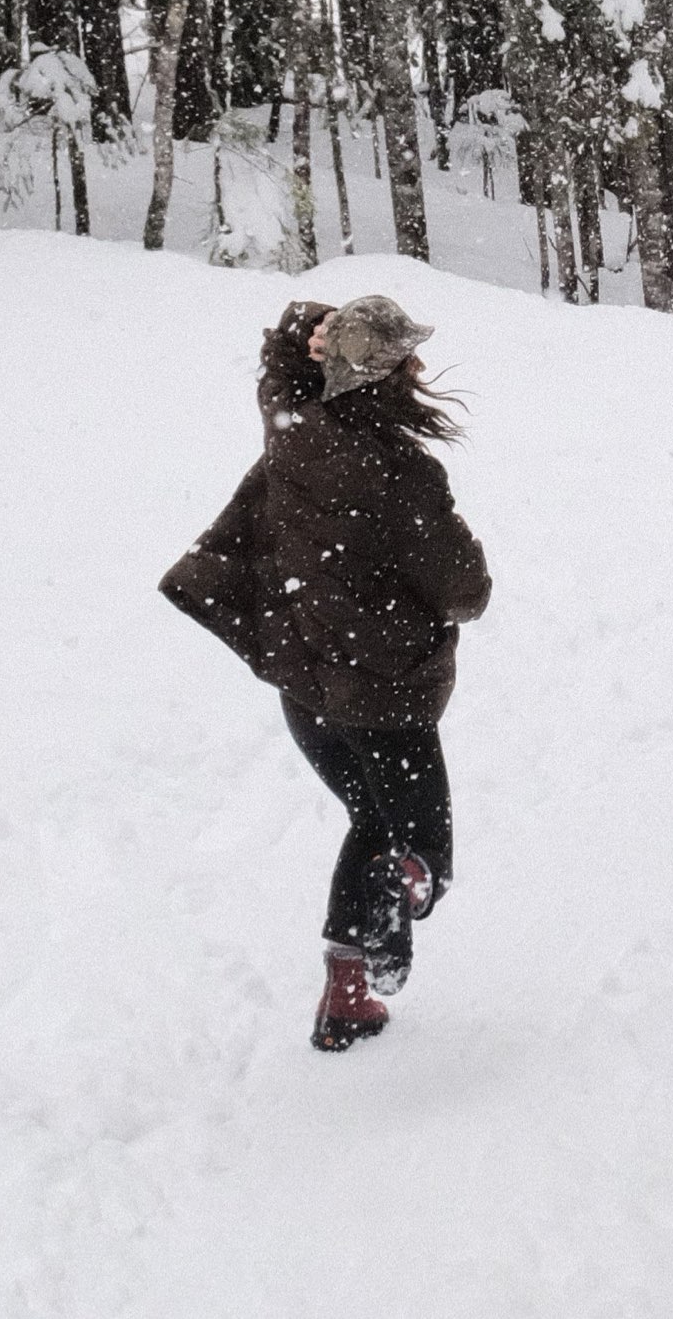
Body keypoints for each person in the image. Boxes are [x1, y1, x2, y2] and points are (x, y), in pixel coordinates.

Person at [160, 295, 491, 1051]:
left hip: (307, 690)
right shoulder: (402, 471)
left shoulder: (295, 432)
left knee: (368, 821)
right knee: (420, 854)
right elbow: (462, 590)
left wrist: (307, 330)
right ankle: (402, 885)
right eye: (405, 356)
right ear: (386, 377)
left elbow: (276, 373)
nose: (418, 365)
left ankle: (348, 1000)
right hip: (387, 700)